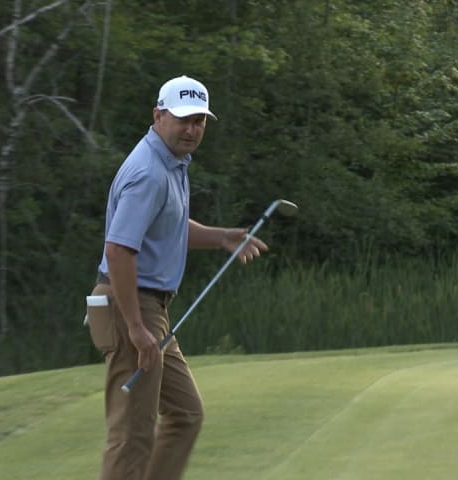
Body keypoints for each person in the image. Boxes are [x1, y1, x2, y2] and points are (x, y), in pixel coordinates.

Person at [85, 75, 268, 480]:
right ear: (159, 115)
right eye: (184, 119)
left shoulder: (171, 162)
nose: (192, 129)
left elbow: (168, 225)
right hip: (130, 305)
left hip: (148, 308)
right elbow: (118, 250)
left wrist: (221, 237)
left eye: (200, 120)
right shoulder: (149, 172)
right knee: (132, 434)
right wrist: (135, 327)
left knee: (185, 414)